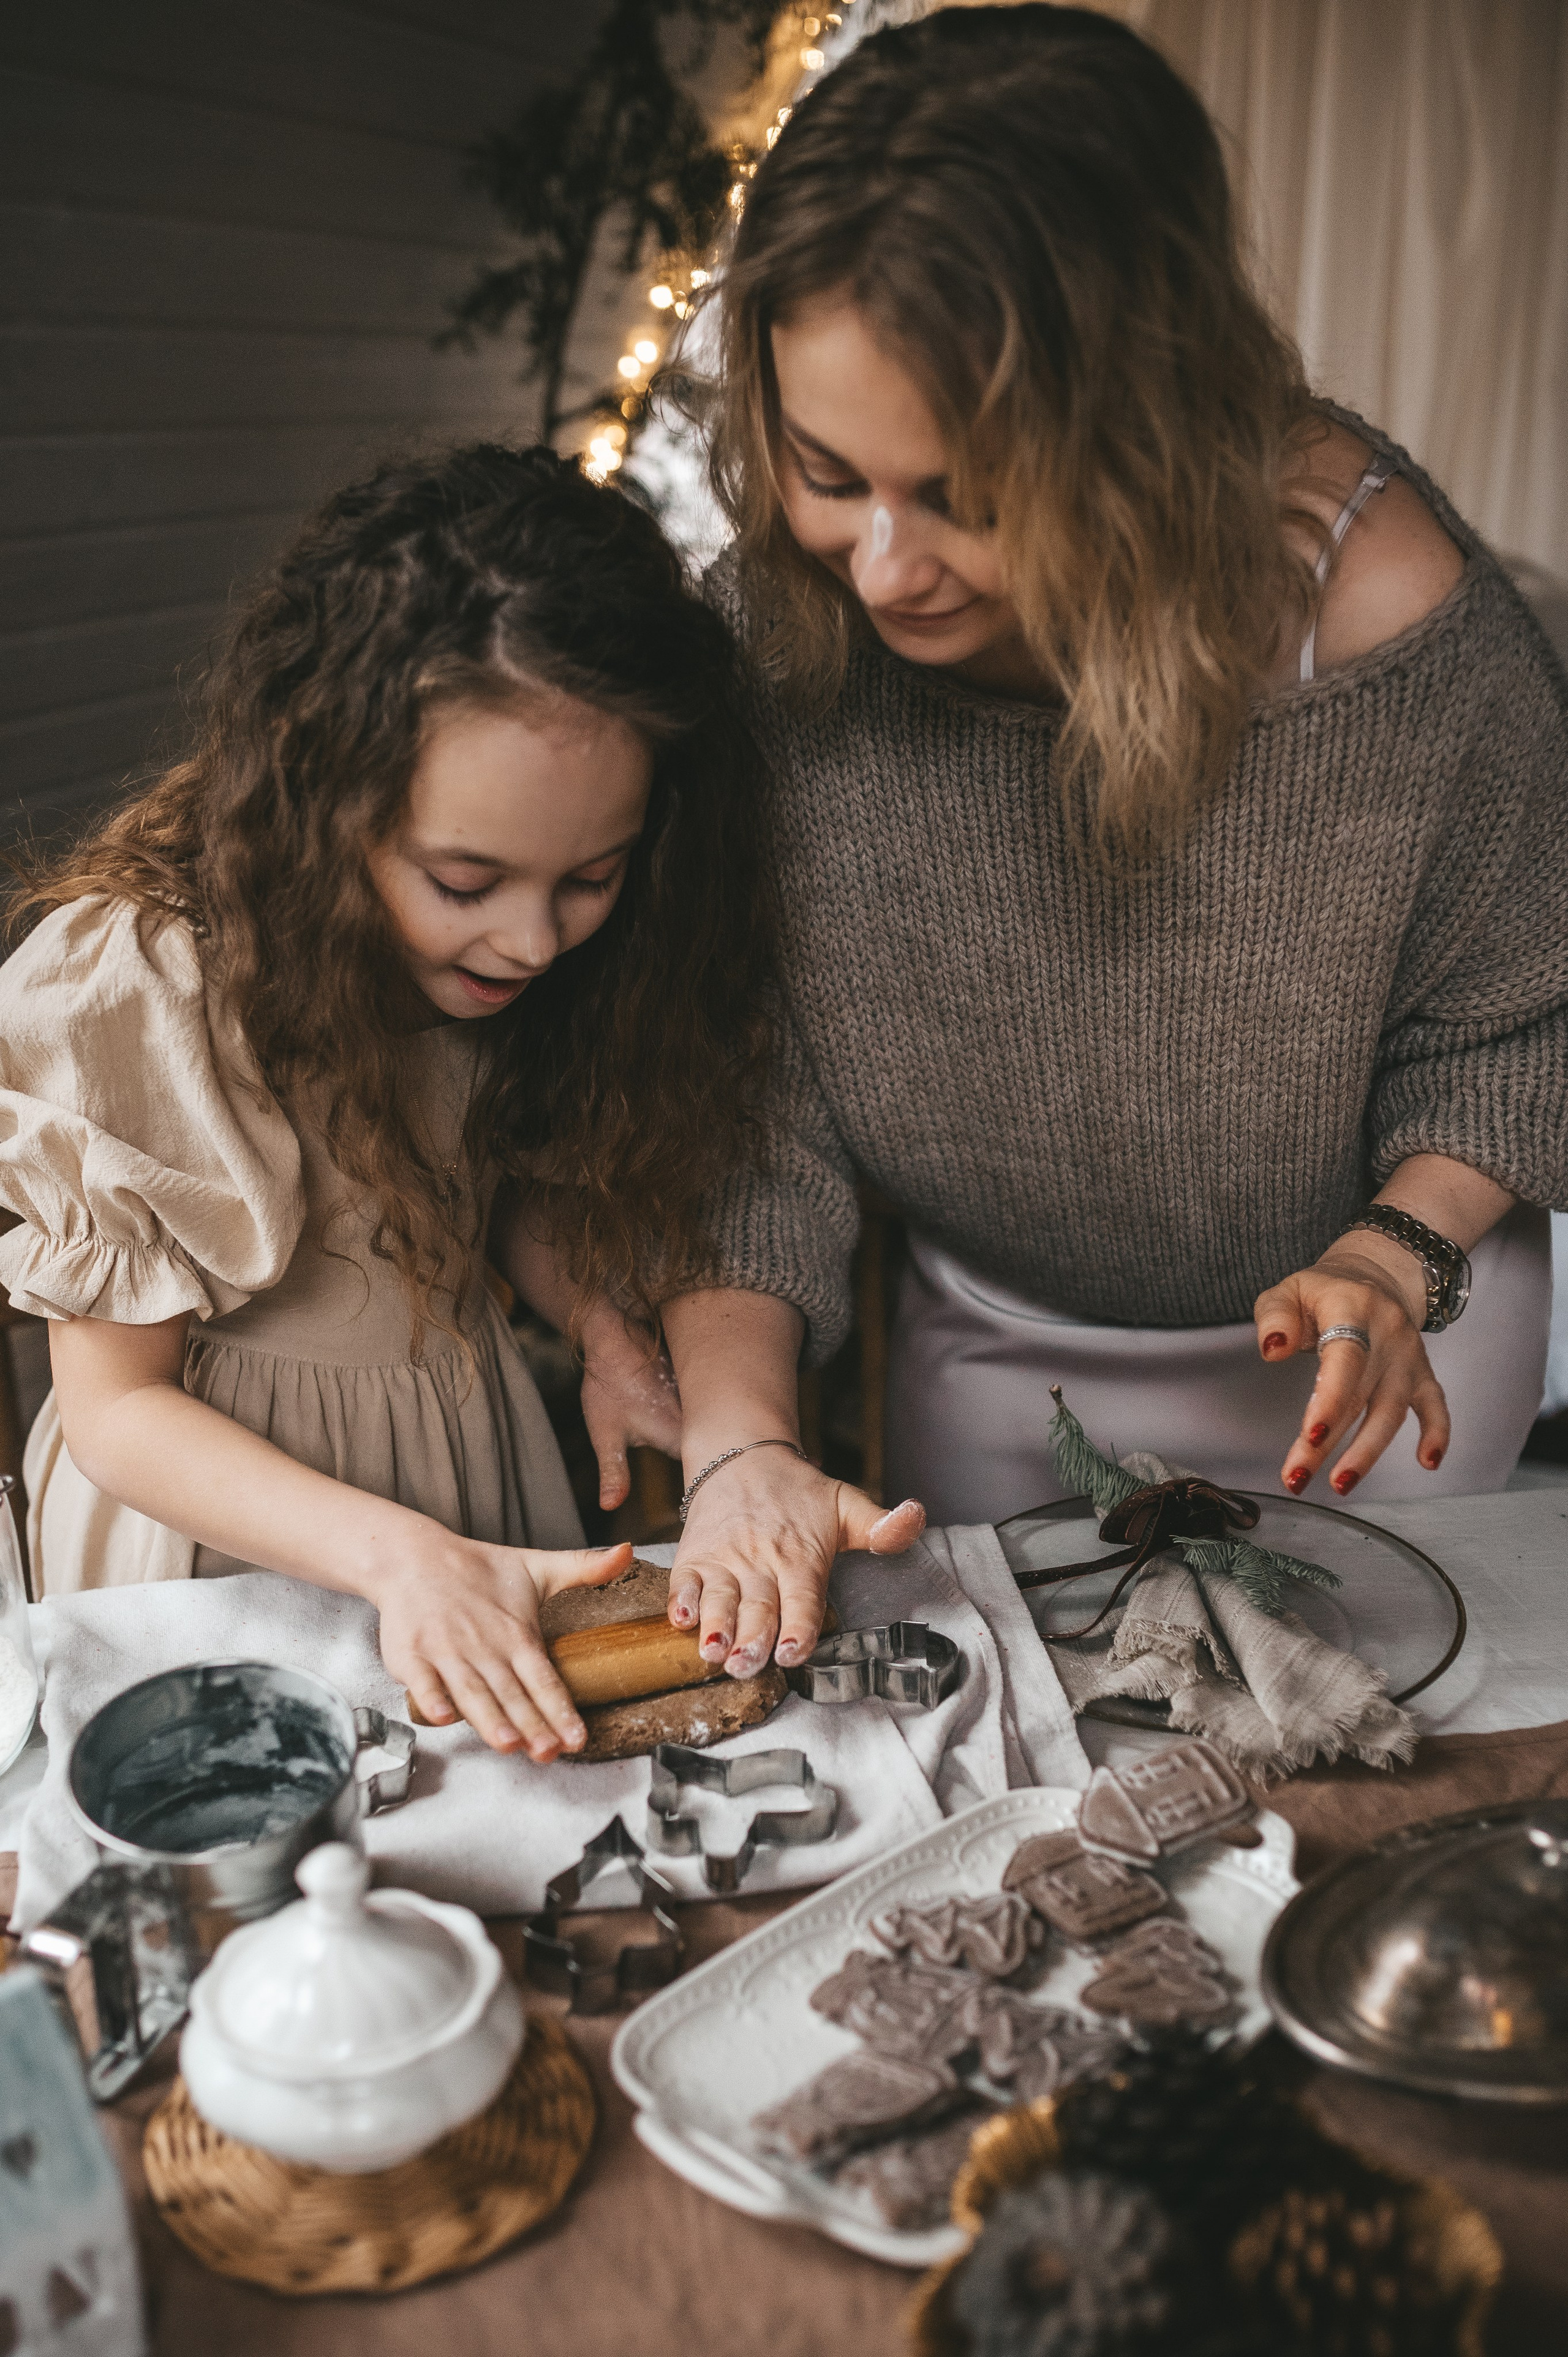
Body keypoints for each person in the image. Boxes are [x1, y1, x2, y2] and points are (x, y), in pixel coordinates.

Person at [566, 4, 1568, 1682]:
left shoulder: (1403, 647)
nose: (882, 569)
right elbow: (744, 1097)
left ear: (1151, 433)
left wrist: (1398, 1247)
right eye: (827, 474)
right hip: (995, 1349)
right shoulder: (774, 645)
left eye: (968, 496)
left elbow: (1517, 1023)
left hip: (1367, 1363)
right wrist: (744, 1442)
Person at [0, 443, 774, 1760]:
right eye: (467, 881)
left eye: (589, 877)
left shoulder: (492, 967)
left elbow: (467, 1187)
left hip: (463, 1473)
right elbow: (121, 1412)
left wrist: (588, 1314)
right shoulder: (145, 980)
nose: (534, 942)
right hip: (228, 1540)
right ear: (324, 797)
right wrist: (398, 1556)